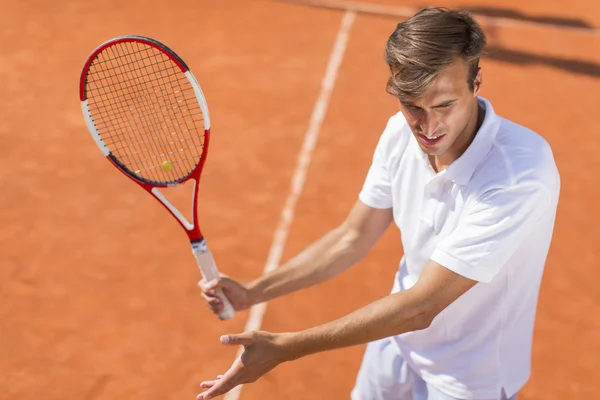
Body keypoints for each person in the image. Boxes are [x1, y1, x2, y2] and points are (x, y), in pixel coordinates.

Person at [196, 6, 560, 400]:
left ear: (477, 82)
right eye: (412, 106)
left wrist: (287, 348)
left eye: (444, 106)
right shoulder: (399, 136)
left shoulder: (519, 174)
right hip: (396, 343)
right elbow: (353, 236)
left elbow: (423, 306)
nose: (429, 127)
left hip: (470, 378)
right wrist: (254, 291)